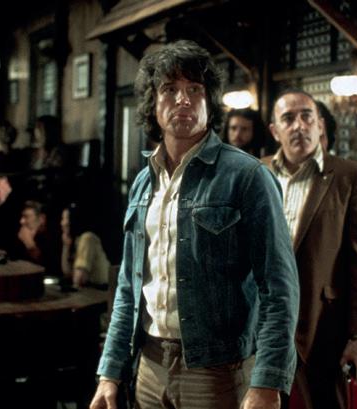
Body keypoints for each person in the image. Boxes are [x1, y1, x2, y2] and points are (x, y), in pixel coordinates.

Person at [90, 40, 299, 409]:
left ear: (209, 102)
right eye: (170, 89)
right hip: (149, 367)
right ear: (153, 103)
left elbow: (279, 288)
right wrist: (110, 373)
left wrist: (267, 381)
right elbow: (128, 288)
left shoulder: (247, 176)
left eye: (195, 90)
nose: (183, 100)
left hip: (218, 371)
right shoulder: (143, 183)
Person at [262, 89, 357, 409]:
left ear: (320, 125)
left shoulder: (350, 176)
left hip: (322, 327)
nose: (299, 125)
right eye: (288, 118)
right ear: (275, 131)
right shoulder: (256, 172)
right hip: (260, 325)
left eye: (307, 116)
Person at [60, 203, 110, 288]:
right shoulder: (76, 241)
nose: (62, 223)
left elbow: (79, 279)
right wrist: (66, 246)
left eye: (65, 218)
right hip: (90, 290)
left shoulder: (87, 238)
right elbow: (67, 272)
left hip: (100, 290)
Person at [13, 200, 60, 276]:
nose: (21, 221)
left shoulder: (54, 238)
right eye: (22, 217)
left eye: (26, 216)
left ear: (41, 219)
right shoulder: (23, 236)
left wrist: (30, 245)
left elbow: (49, 269)